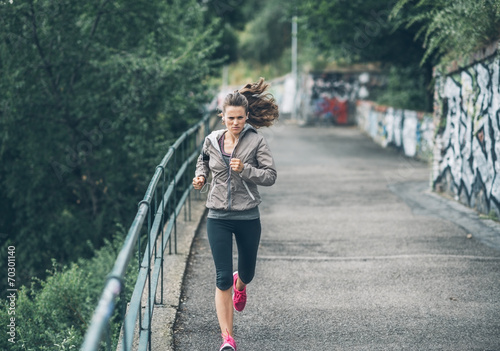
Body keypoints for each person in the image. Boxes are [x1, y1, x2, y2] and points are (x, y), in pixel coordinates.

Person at [192, 77, 279, 351]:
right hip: (217, 216)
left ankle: (240, 284)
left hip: (247, 216)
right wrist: (200, 177)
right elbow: (202, 162)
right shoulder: (211, 141)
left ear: (246, 116)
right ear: (222, 117)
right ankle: (227, 339)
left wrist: (247, 171)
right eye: (230, 118)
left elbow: (271, 176)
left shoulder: (256, 141)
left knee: (248, 271)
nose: (235, 123)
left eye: (240, 118)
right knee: (220, 277)